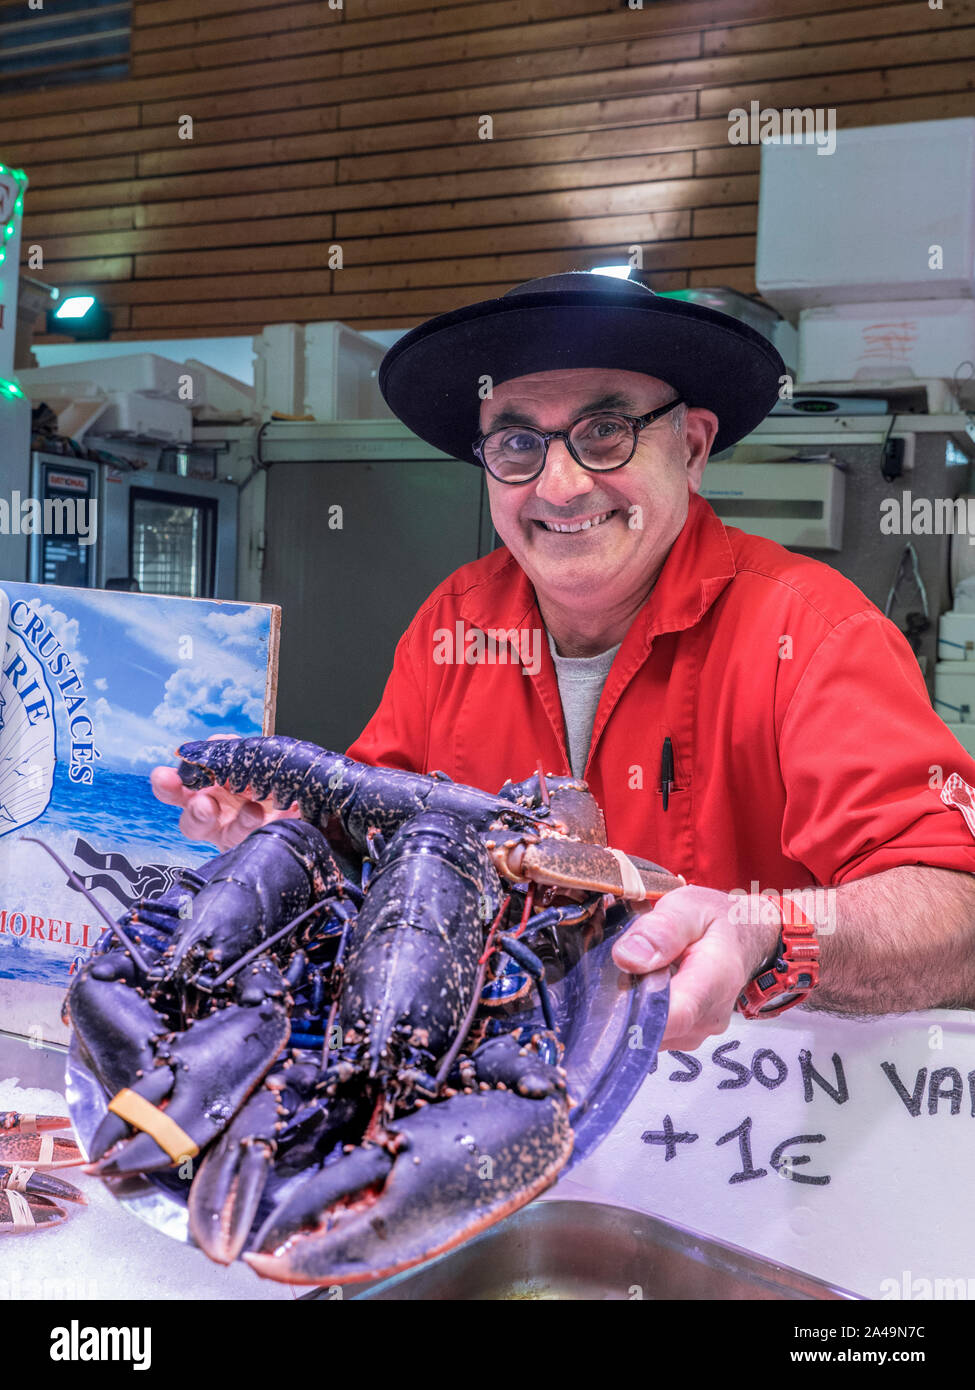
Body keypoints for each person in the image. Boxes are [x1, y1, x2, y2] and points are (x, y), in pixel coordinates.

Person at [152, 272, 975, 1053]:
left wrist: (768, 934)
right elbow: (375, 842)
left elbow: (955, 910)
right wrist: (289, 847)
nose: (561, 483)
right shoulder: (454, 621)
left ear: (689, 447)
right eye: (516, 442)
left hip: (748, 1122)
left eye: (605, 432)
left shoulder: (814, 629)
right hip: (482, 1085)